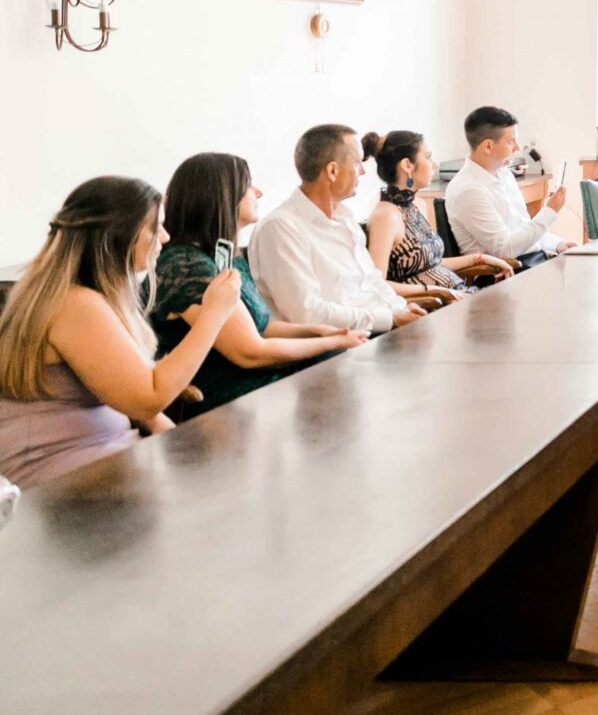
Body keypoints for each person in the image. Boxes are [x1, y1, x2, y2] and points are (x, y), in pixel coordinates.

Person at [0, 177, 238, 487]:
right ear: (121, 234)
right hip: (62, 481)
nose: (165, 237)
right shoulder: (74, 305)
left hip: (97, 460)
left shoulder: (80, 297)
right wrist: (214, 315)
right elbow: (148, 397)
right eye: (156, 227)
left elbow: (125, 390)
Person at [151, 154, 369, 419]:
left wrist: (316, 331)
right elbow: (250, 352)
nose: (259, 192)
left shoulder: (225, 257)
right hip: (225, 398)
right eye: (249, 186)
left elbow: (261, 327)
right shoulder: (185, 266)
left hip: (257, 383)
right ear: (223, 196)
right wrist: (329, 342)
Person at [253, 125, 423, 333]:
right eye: (358, 163)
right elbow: (307, 313)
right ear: (332, 171)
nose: (362, 171)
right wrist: (389, 318)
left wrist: (402, 308)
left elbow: (373, 282)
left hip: (380, 330)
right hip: (340, 347)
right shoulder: (281, 228)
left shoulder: (345, 218)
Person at [362, 130, 513, 298]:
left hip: (458, 295)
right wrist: (436, 291)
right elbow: (378, 284)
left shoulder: (417, 205)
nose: (434, 164)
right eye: (428, 156)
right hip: (432, 308)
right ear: (407, 165)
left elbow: (431, 264)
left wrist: (479, 258)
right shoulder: (385, 217)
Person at [444, 106, 567, 266]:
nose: (517, 147)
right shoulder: (468, 190)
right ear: (488, 146)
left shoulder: (505, 174)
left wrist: (558, 244)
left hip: (531, 261)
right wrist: (550, 211)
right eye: (511, 141)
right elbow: (505, 250)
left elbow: (524, 228)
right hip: (502, 274)